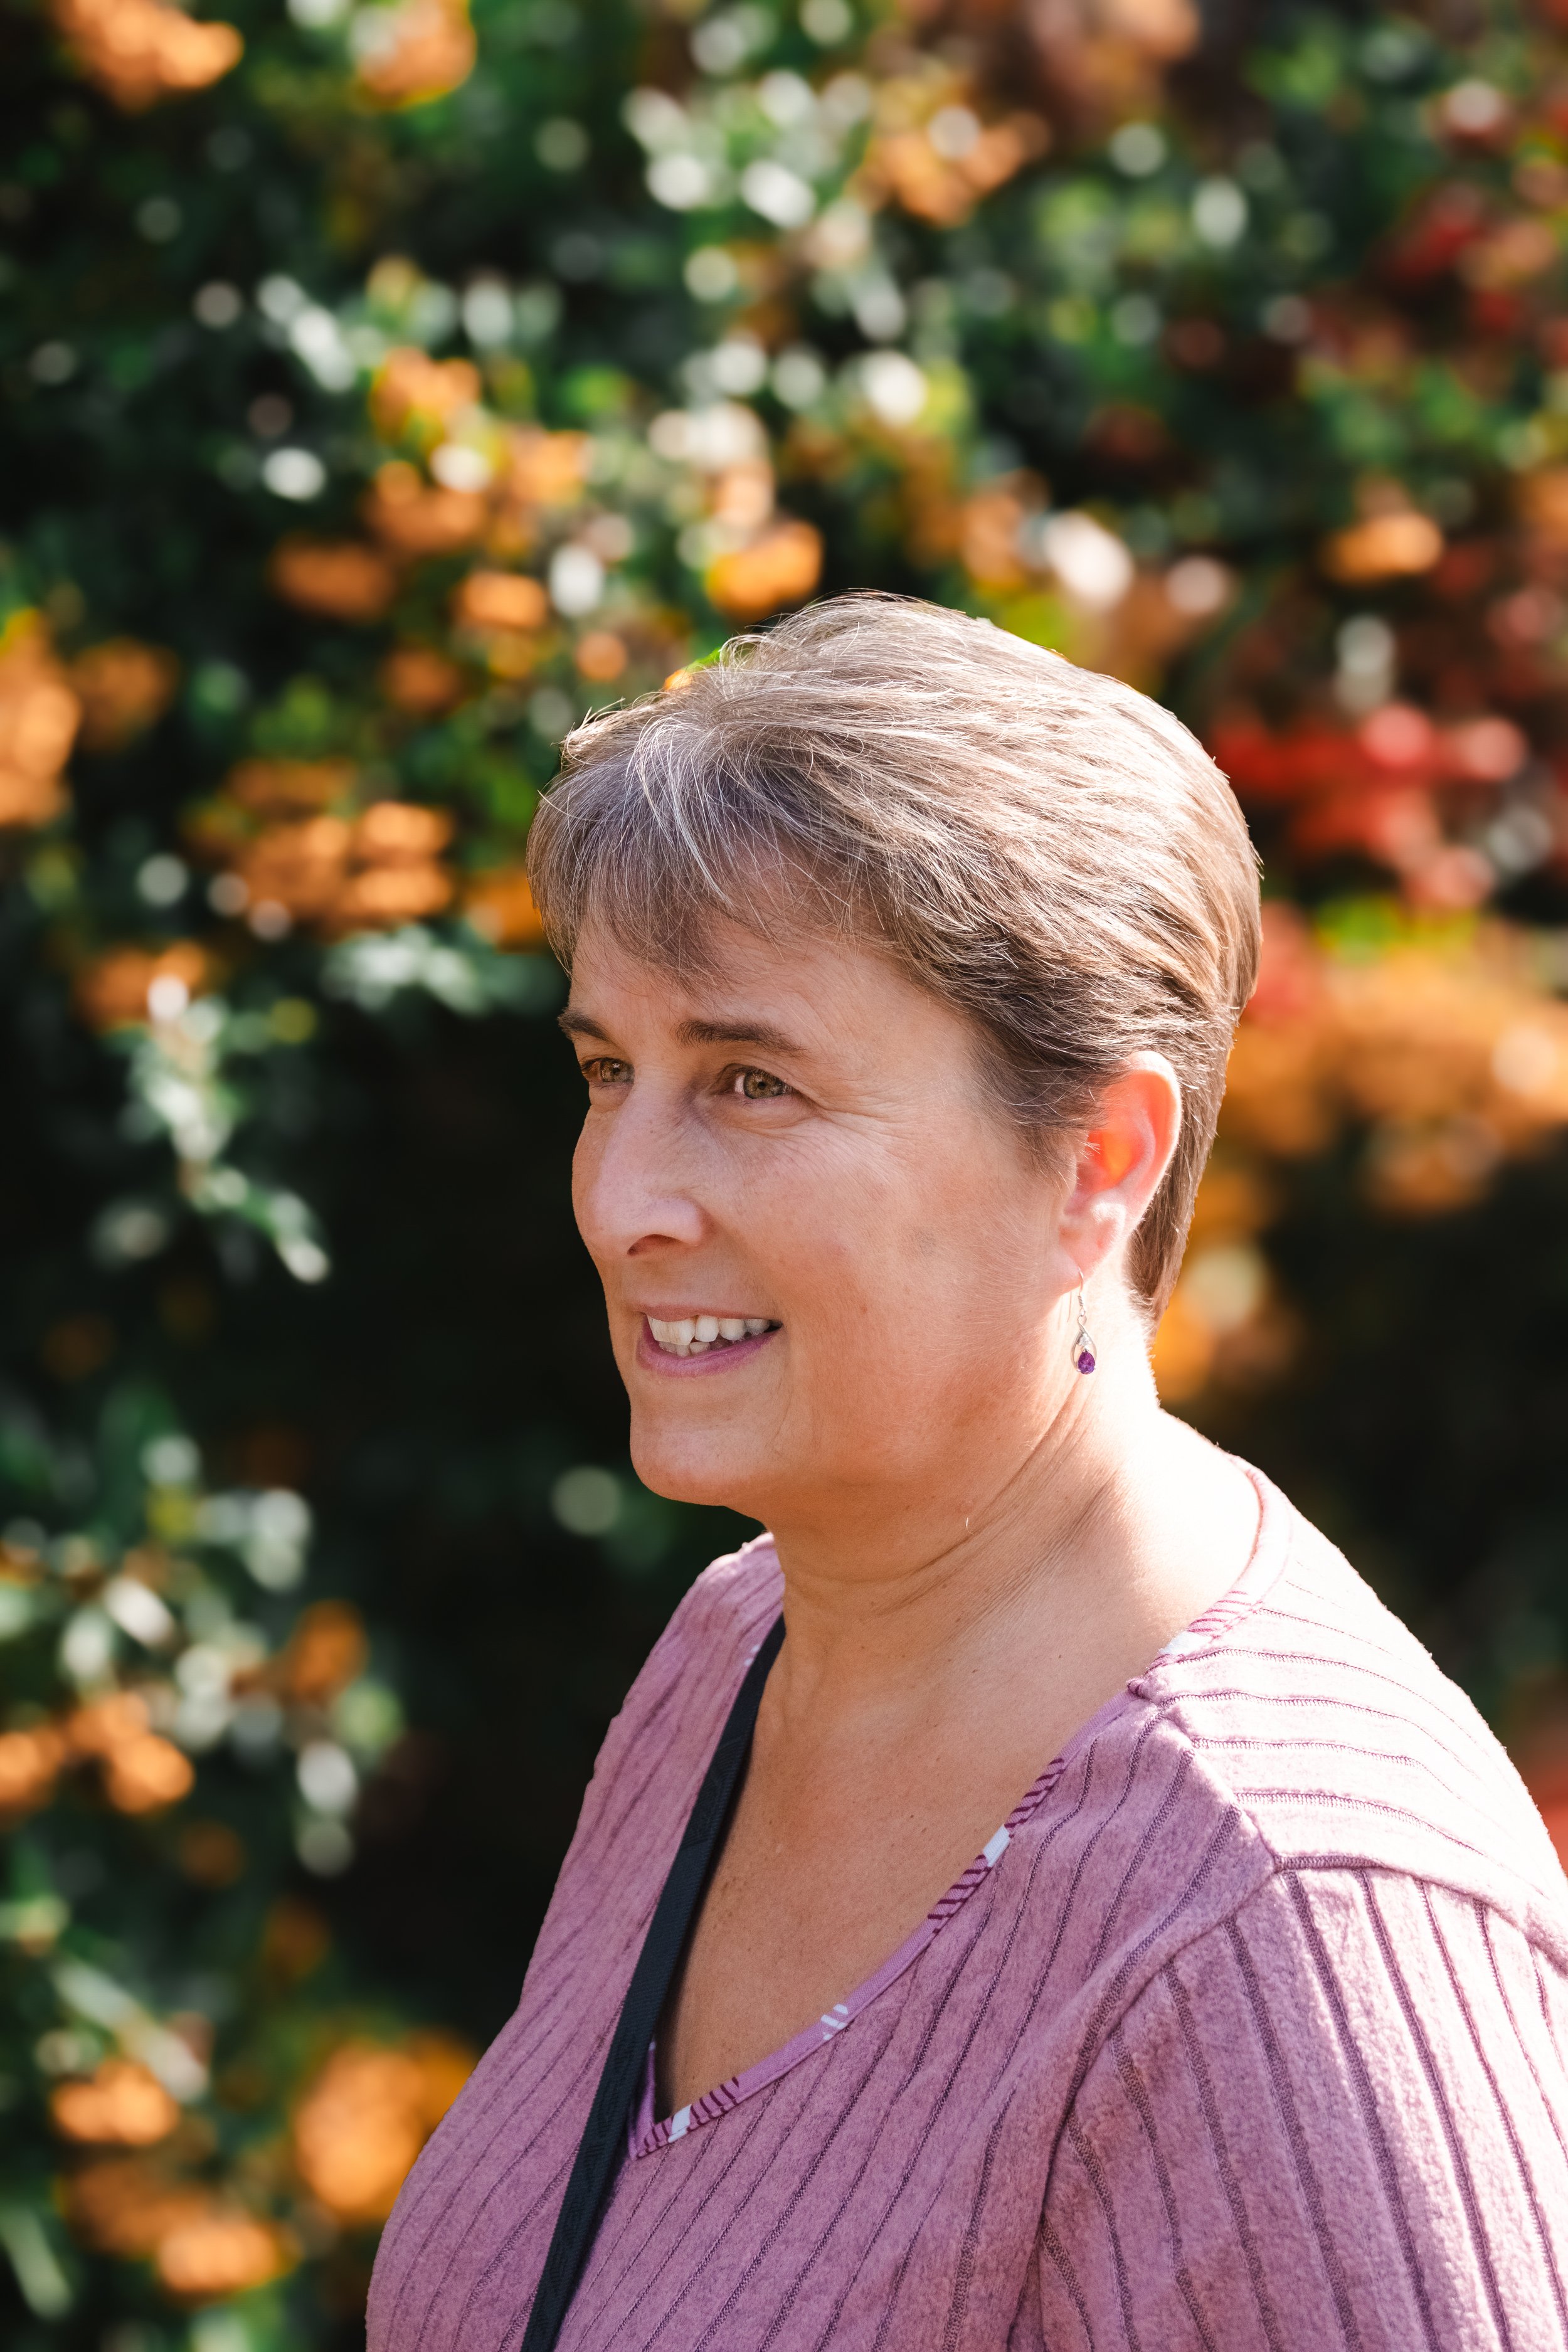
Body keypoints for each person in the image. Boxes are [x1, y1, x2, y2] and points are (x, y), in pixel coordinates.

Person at [368, 596, 1568, 2352]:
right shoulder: (739, 1648)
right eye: (610, 1069)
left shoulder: (1291, 1917)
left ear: (1098, 1157)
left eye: (751, 1081)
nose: (623, 1201)